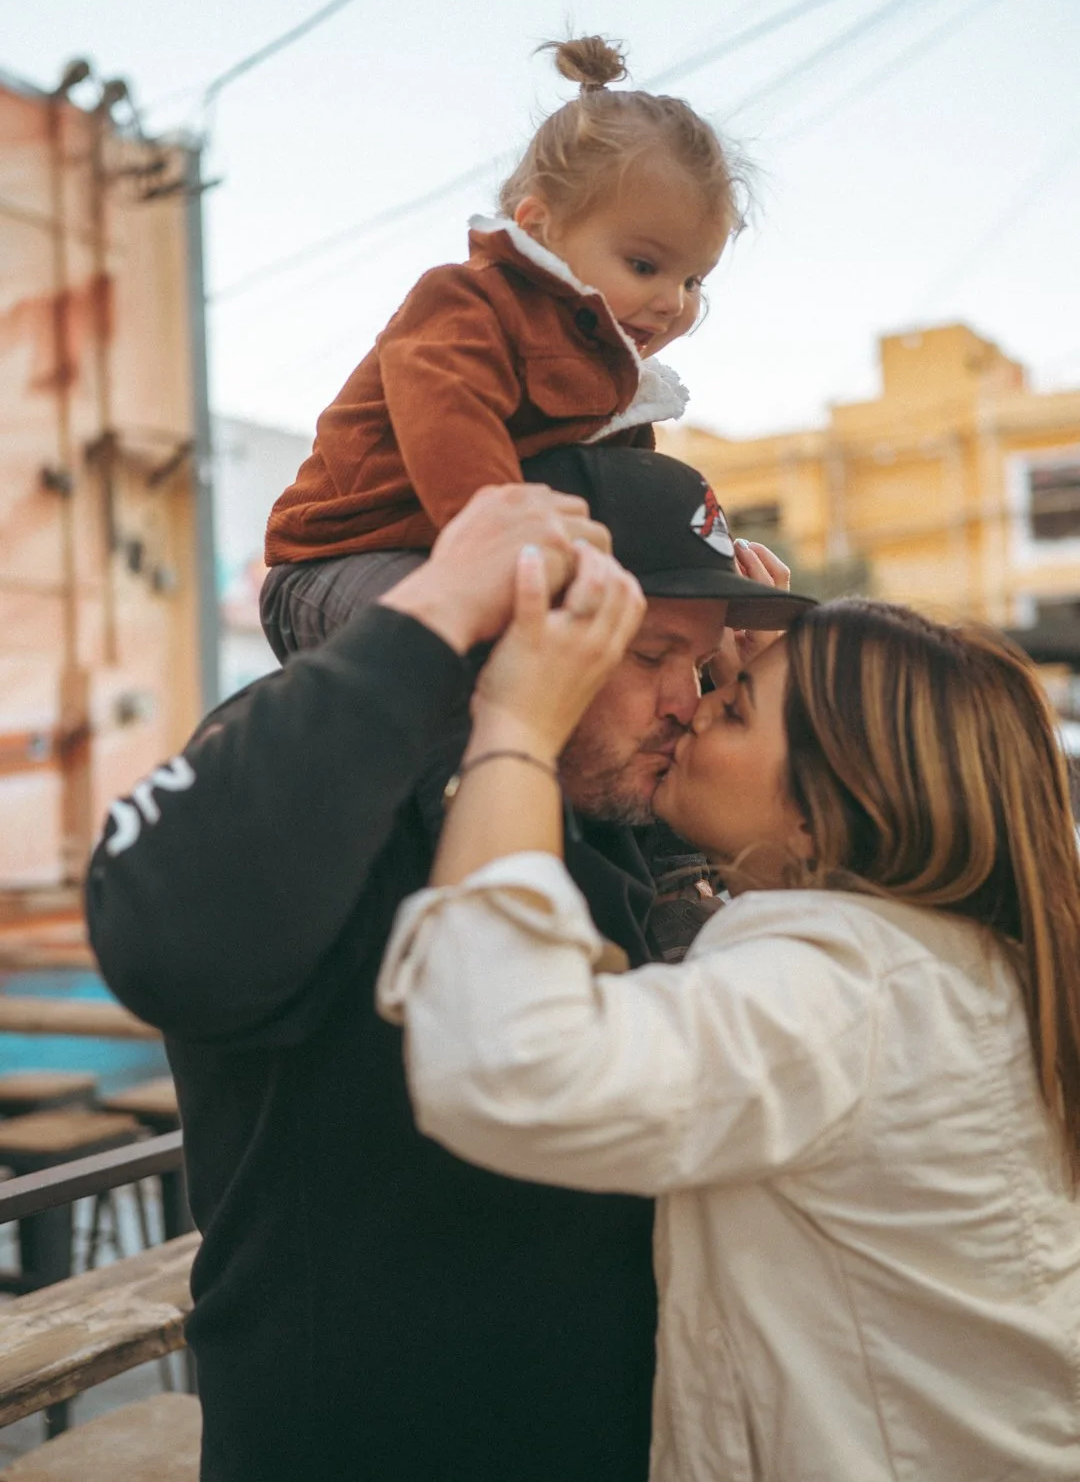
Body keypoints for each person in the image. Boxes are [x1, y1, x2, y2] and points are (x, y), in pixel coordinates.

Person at [86, 447, 807, 1482]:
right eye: (650, 653)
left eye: (703, 669)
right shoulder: (342, 775)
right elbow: (167, 938)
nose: (685, 701)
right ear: (521, 625)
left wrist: (761, 690)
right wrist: (427, 626)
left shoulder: (625, 811)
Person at [379, 546, 1080, 1482]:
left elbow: (511, 1060)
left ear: (821, 819)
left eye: (732, 703)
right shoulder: (967, 963)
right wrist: (783, 674)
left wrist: (514, 727)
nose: (692, 707)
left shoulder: (845, 995)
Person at [260, 33, 750, 662]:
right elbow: (449, 422)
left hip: (458, 560)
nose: (671, 302)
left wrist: (691, 590)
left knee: (603, 653)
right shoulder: (467, 304)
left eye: (693, 280)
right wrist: (519, 555)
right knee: (482, 643)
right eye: (644, 264)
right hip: (339, 561)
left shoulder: (618, 382)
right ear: (538, 227)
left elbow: (624, 507)